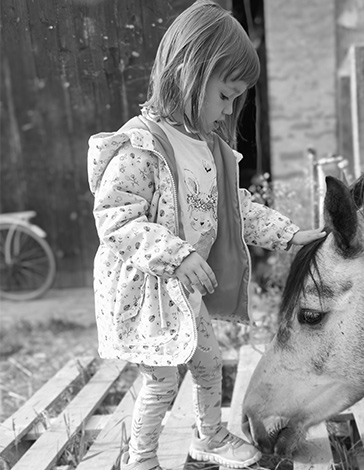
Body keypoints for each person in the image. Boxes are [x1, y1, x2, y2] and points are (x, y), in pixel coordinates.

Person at [87, 1, 326, 469]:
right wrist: (174, 254)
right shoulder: (141, 146)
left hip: (185, 292)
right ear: (187, 74)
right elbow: (115, 219)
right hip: (150, 292)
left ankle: (210, 437)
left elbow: (236, 209)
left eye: (237, 98)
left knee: (209, 364)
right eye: (224, 95)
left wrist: (290, 235)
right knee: (160, 381)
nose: (229, 109)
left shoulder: (210, 148)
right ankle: (141, 459)